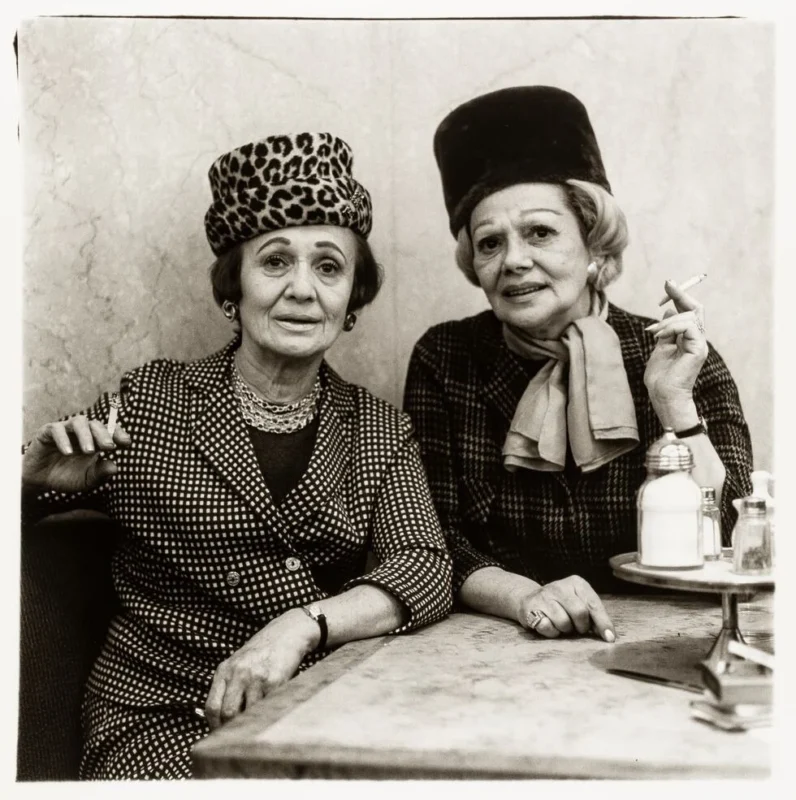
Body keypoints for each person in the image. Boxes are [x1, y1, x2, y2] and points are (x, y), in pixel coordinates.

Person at [22, 132, 453, 780]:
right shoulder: (151, 402)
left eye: (328, 267)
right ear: (234, 287)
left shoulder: (377, 429)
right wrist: (25, 482)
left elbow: (424, 567)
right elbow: (27, 506)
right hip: (159, 718)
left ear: (351, 298)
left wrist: (301, 627)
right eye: (276, 262)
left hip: (310, 716)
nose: (303, 290)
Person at [404, 86, 753, 643]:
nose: (514, 260)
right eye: (490, 243)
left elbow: (738, 539)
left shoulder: (675, 354)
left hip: (662, 638)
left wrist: (673, 405)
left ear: (594, 246)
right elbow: (432, 539)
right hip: (501, 638)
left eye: (541, 232)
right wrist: (526, 597)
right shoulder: (447, 359)